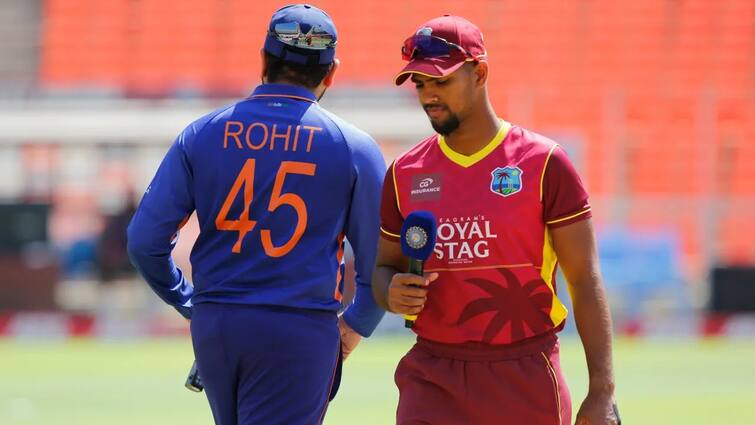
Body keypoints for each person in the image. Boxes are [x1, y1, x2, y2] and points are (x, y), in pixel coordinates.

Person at [127, 4, 386, 425]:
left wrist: (190, 303)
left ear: (264, 59)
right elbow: (378, 262)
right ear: (331, 72)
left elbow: (144, 242)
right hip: (298, 327)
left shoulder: (201, 133)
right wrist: (357, 324)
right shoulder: (353, 146)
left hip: (216, 327)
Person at [373, 15, 620, 425]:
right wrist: (392, 292)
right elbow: (382, 270)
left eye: (441, 81)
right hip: (431, 377)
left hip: (524, 374)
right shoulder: (404, 172)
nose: (428, 95)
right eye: (420, 84)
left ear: (480, 73)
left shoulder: (544, 163)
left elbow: (584, 279)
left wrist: (602, 393)